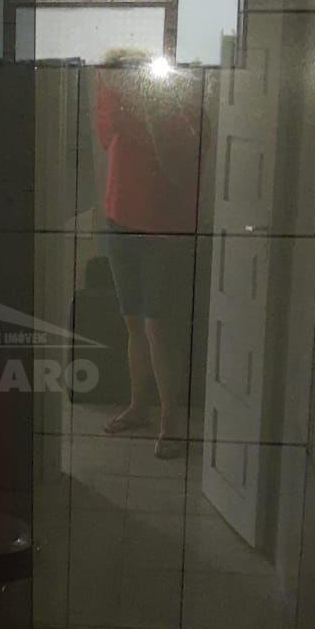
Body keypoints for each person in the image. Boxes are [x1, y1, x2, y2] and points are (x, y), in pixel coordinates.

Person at [93, 49, 200, 458]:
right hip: (118, 214)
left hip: (163, 224)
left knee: (160, 327)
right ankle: (139, 406)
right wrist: (117, 100)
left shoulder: (173, 91)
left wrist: (144, 108)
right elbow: (106, 137)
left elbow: (180, 160)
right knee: (133, 322)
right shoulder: (109, 86)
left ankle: (171, 421)